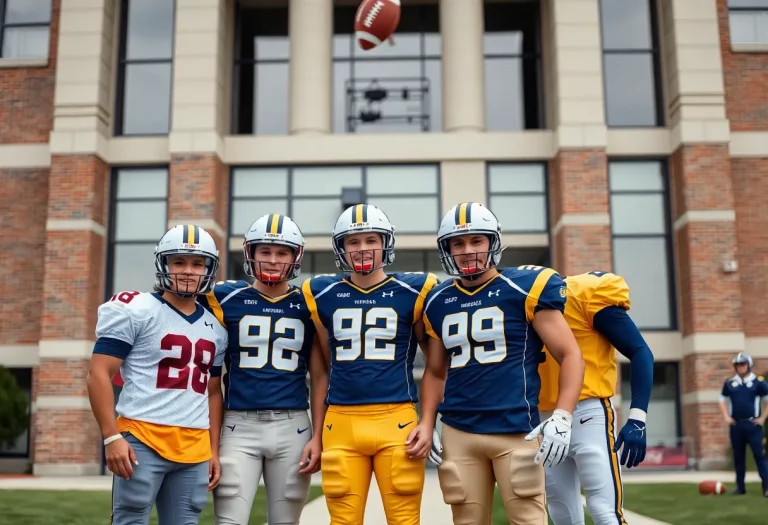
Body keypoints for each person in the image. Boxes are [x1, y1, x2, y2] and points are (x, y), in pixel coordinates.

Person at [414, 202, 585, 525]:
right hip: (459, 430)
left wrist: (563, 415)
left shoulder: (525, 287)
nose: (467, 250)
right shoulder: (438, 300)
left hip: (515, 427)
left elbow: (571, 354)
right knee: (466, 520)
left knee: (527, 518)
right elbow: (436, 371)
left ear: (493, 242)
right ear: (446, 249)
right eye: (458, 243)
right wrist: (427, 421)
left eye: (476, 241)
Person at [301, 203, 438, 525]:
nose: (363, 248)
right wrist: (317, 434)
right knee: (343, 520)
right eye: (353, 242)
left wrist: (430, 421)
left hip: (397, 419)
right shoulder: (320, 293)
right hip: (341, 421)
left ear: (385, 244)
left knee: (404, 519)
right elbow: (322, 370)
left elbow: (435, 367)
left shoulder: (414, 290)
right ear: (342, 249)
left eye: (370, 240)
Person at [86, 224, 228, 525]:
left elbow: (213, 392)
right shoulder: (135, 309)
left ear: (209, 269)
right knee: (131, 519)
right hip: (142, 437)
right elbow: (98, 373)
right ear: (164, 264)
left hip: (195, 445)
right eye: (179, 262)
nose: (188, 271)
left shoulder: (215, 328)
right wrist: (111, 436)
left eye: (197, 263)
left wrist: (213, 450)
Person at [199, 214, 328, 525]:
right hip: (237, 426)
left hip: (293, 425)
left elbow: (321, 374)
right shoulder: (222, 297)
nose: (272, 260)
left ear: (295, 257)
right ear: (250, 254)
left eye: (282, 252)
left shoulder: (308, 302)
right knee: (228, 520)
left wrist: (319, 435)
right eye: (265, 252)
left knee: (286, 522)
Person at [538, 270, 654, 525]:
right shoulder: (518, 302)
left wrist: (637, 418)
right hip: (544, 417)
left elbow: (640, 350)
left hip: (587, 412)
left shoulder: (582, 294)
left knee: (605, 512)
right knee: (561, 513)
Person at [719, 352, 768, 497]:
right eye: (738, 365)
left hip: (753, 425)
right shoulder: (730, 383)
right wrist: (726, 416)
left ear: (749, 365)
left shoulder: (758, 382)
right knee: (738, 457)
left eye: (743, 364)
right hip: (736, 425)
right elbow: (722, 399)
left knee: (759, 456)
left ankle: (766, 487)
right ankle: (740, 488)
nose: (741, 367)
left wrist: (763, 418)